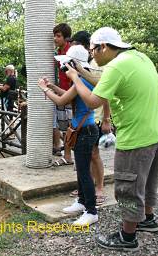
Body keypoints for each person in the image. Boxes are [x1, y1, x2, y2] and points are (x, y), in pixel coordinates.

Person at [65, 27, 158, 251]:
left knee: (127, 187)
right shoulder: (138, 57)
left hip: (136, 137)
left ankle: (127, 237)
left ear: (103, 46)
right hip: (157, 131)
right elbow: (103, 78)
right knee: (147, 181)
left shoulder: (116, 66)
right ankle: (147, 219)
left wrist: (75, 77)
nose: (92, 55)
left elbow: (93, 101)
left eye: (93, 50)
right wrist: (82, 72)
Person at [38, 45, 100, 226]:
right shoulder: (84, 77)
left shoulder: (82, 78)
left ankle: (91, 211)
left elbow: (61, 100)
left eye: (66, 64)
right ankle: (82, 202)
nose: (64, 68)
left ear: (73, 63)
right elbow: (69, 95)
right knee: (81, 171)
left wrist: (44, 88)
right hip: (84, 130)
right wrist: (52, 86)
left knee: (84, 172)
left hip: (85, 131)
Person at [68, 31, 111, 205]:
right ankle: (87, 189)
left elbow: (105, 93)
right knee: (89, 155)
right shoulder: (84, 67)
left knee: (95, 155)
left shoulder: (96, 65)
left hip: (97, 116)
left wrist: (107, 119)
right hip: (90, 115)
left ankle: (98, 188)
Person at [52, 23, 74, 165]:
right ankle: (67, 155)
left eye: (58, 36)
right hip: (62, 93)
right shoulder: (59, 52)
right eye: (55, 35)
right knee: (65, 127)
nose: (55, 38)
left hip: (70, 94)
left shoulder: (70, 52)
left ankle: (68, 155)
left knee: (70, 127)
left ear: (66, 38)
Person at [0, 64, 18, 139]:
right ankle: (8, 132)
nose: (5, 72)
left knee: (8, 115)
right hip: (8, 98)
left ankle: (12, 134)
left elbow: (4, 89)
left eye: (6, 70)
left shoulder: (11, 78)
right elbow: (5, 85)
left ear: (9, 70)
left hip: (7, 99)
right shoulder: (12, 77)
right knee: (8, 115)